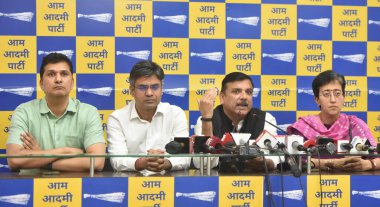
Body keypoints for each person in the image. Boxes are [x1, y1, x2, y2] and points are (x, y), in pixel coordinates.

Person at [6, 53, 106, 172]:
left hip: (75, 187)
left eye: (64, 74)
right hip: (32, 186)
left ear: (72, 83)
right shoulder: (24, 112)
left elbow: (97, 162)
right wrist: (64, 151)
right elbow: (14, 160)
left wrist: (42, 159)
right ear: (41, 83)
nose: (58, 79)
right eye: (51, 74)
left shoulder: (89, 112)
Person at [107, 60, 190, 172]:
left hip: (169, 183)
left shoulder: (176, 114)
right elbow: (117, 161)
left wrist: (165, 163)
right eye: (142, 87)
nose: (149, 93)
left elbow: (184, 158)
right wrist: (142, 163)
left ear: (162, 89)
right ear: (132, 90)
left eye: (155, 87)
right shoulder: (117, 118)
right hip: (130, 184)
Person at [287, 70, 378, 171]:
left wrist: (368, 164)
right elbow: (291, 160)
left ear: (344, 97)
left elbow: (376, 155)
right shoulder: (303, 127)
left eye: (337, 93)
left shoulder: (355, 125)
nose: (333, 100)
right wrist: (332, 163)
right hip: (310, 184)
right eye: (326, 94)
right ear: (317, 99)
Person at [194, 72, 280, 171]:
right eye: (236, 92)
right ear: (222, 97)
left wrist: (266, 163)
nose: (244, 97)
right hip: (217, 183)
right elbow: (203, 164)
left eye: (249, 92)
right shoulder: (206, 120)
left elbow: (277, 156)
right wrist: (207, 119)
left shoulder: (265, 119)